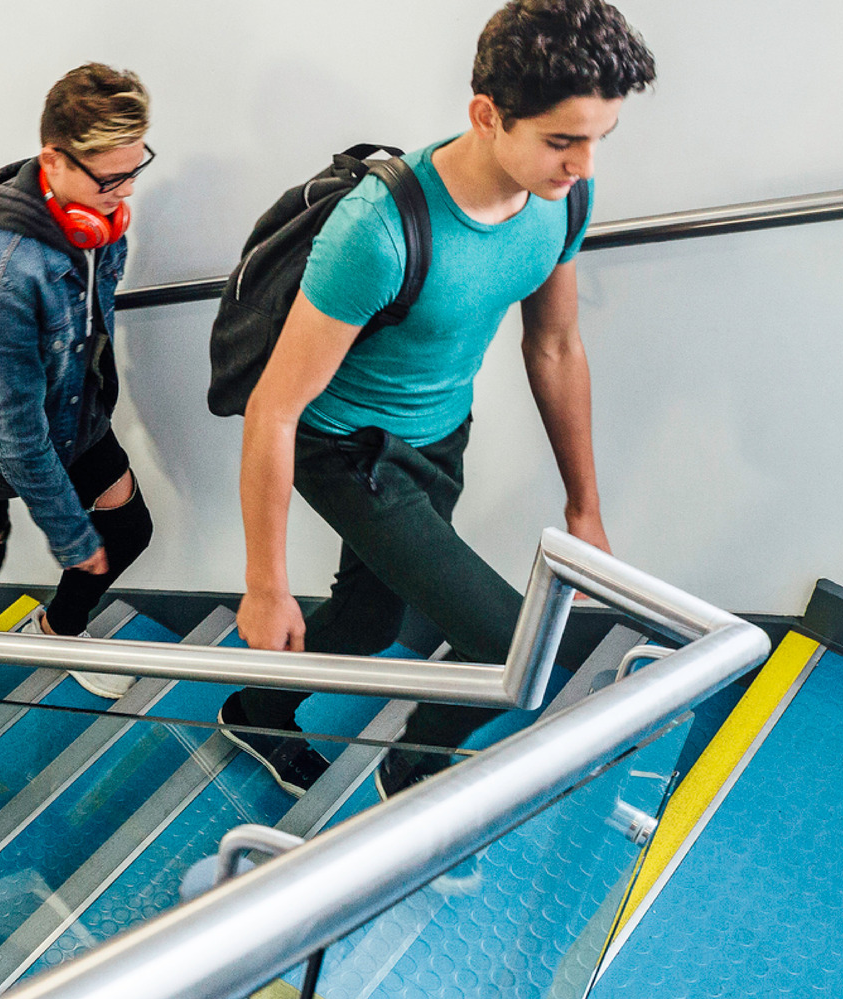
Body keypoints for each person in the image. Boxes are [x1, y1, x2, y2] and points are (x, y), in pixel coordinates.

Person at [227, 0, 656, 799]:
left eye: (599, 139)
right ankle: (415, 769)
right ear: (487, 116)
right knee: (505, 641)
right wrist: (265, 583)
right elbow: (274, 409)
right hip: (346, 449)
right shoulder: (377, 232)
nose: (584, 166)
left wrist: (584, 507)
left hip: (438, 437)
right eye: (563, 141)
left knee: (369, 623)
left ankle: (252, 708)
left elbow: (555, 344)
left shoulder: (563, 198)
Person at [0, 64, 157, 723]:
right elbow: (11, 429)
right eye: (111, 178)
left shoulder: (102, 225)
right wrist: (65, 527)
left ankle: (56, 634)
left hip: (70, 410)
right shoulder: (1, 274)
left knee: (127, 529)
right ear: (54, 161)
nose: (125, 192)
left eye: (135, 170)